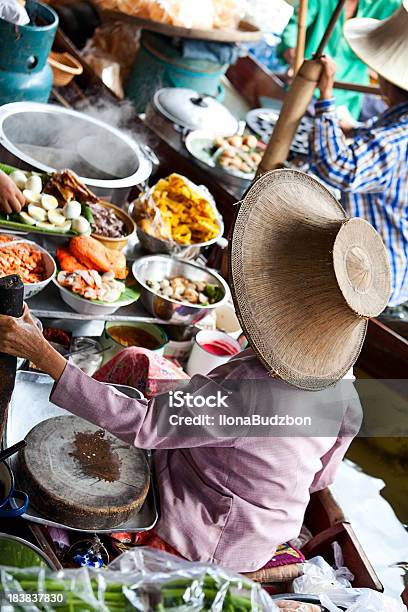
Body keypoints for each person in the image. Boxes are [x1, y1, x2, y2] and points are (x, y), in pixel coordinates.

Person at [0, 170, 391, 574]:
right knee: (142, 359)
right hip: (267, 528)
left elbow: (144, 424)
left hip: (206, 537)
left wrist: (43, 353)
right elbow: (317, 481)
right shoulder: (346, 393)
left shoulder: (249, 391)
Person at [309, 1, 408, 308]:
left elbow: (338, 167)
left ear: (386, 84)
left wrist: (325, 98)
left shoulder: (397, 139)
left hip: (372, 279)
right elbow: (379, 139)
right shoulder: (395, 127)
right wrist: (353, 129)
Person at [278, 0, 401, 119]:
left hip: (351, 92)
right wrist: (294, 53)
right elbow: (294, 27)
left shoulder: (388, 4)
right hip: (310, 86)